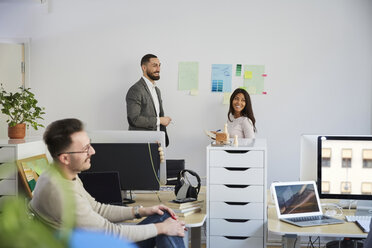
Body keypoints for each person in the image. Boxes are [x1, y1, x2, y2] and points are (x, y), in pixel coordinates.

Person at [29, 118, 185, 248]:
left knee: (162, 215)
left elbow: (97, 209)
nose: (93, 151)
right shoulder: (60, 192)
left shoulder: (62, 173)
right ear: (65, 158)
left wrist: (141, 211)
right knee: (164, 225)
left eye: (90, 144)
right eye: (85, 148)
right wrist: (162, 228)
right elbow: (110, 232)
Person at [126, 54, 171, 147]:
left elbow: (157, 115)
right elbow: (134, 119)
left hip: (157, 143)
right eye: (154, 65)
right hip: (142, 144)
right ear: (144, 68)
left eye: (159, 65)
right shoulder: (136, 90)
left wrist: (162, 121)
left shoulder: (157, 90)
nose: (158, 69)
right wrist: (160, 120)